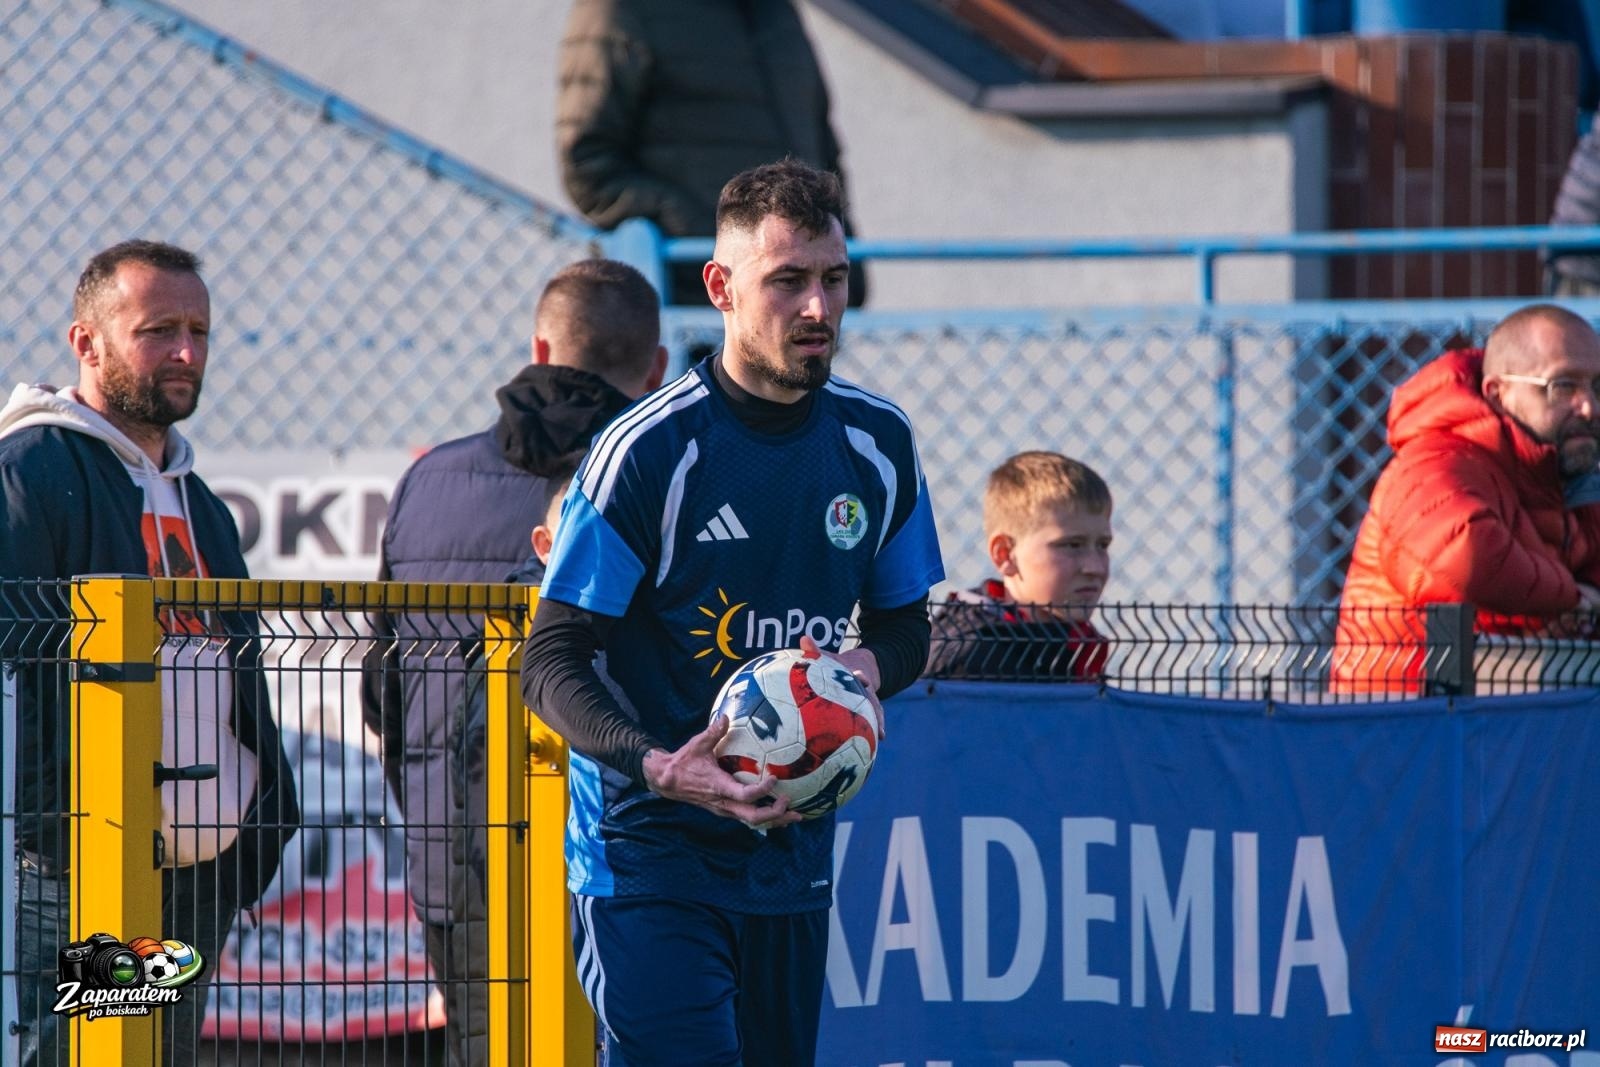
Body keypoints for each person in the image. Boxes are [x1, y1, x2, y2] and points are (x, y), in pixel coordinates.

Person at [520, 159, 943, 1066]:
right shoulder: (647, 451)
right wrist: (660, 764)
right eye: (787, 280)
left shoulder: (878, 443)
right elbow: (550, 657)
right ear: (720, 287)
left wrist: (864, 673)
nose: (819, 309)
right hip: (648, 855)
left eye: (833, 279)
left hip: (789, 861)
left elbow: (909, 625)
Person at [0, 240, 299, 1065]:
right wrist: (53, 836)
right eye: (158, 329)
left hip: (193, 881)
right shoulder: (28, 472)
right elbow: (12, 671)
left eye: (199, 329)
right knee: (71, 1055)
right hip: (74, 875)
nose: (186, 351)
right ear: (86, 342)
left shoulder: (200, 500)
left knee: (152, 1056)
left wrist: (256, 831)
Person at [360, 259, 665, 1066]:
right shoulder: (661, 478)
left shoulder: (427, 483)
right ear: (657, 365)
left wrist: (435, 811)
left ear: (538, 345)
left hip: (456, 861)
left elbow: (382, 691)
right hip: (621, 860)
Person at [1333, 304, 1600, 692]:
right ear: (1497, 393)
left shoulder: (1569, 480)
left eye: (1598, 386)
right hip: (1400, 729)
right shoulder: (1434, 463)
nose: (1589, 407)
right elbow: (1465, 557)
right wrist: (1571, 599)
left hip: (1509, 721)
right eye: (1563, 387)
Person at [556, 0, 867, 308]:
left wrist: (841, 255)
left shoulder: (778, 12)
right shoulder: (622, 8)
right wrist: (707, 232)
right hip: (689, 305)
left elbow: (824, 154)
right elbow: (589, 163)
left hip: (801, 305)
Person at [925, 451, 1112, 681]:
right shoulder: (972, 658)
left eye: (1103, 545)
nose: (1094, 567)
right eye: (1072, 545)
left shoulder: (1075, 646)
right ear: (1005, 555)